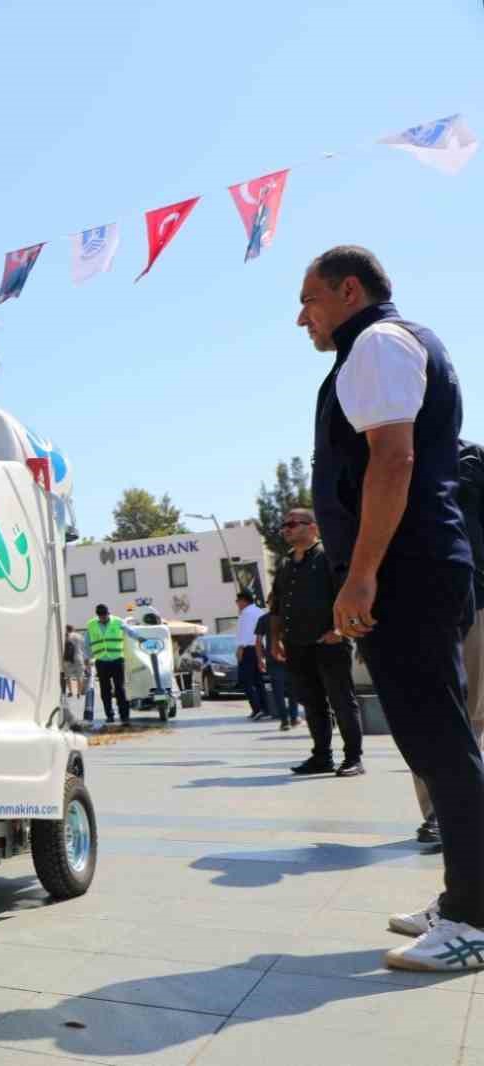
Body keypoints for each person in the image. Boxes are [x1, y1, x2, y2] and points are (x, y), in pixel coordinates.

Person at [297, 245, 484, 971]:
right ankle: (464, 892)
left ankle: (474, 917)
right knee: (433, 744)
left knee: (442, 744)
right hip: (411, 571)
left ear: (350, 290)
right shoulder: (386, 345)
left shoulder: (377, 342)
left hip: (407, 573)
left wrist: (362, 574)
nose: (303, 318)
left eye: (310, 300)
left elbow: (394, 460)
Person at [411, 440, 484, 843]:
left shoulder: (473, 457)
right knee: (426, 715)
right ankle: (439, 812)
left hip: (477, 598)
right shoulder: (383, 451)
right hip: (414, 606)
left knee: (473, 715)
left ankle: (464, 807)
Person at [270, 508, 362, 777]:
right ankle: (322, 757)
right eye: (284, 525)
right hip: (297, 645)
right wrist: (275, 639)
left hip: (329, 643)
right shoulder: (285, 564)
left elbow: (349, 594)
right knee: (312, 704)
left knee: (342, 701)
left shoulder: (329, 557)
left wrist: (340, 631)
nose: (286, 529)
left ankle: (353, 758)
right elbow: (276, 607)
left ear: (313, 527)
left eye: (292, 524)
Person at [256, 607, 299, 730]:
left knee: (278, 692)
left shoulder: (264, 619)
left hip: (273, 659)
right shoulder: (290, 615)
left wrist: (260, 659)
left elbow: (258, 641)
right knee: (293, 689)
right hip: (289, 658)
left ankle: (285, 721)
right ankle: (294, 718)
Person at [87, 604, 128, 724]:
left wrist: (140, 638)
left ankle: (124, 715)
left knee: (120, 689)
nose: (103, 618)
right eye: (101, 616)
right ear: (98, 616)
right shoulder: (91, 625)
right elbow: (86, 642)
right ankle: (109, 715)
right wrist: (88, 657)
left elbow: (129, 631)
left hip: (117, 660)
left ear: (108, 613)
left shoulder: (118, 621)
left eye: (105, 615)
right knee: (105, 690)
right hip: (101, 661)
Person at [232, 590, 270, 721]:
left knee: (246, 681)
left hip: (248, 649)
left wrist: (240, 648)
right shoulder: (259, 611)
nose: (237, 604)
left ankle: (257, 709)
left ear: (243, 601)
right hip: (259, 648)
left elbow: (247, 632)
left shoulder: (246, 613)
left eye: (237, 601)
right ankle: (265, 709)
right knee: (258, 681)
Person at [63, 624, 94, 721]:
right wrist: (87, 660)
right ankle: (79, 693)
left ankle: (70, 692)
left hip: (67, 658)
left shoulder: (66, 636)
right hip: (79, 658)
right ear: (74, 629)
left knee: (67, 676)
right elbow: (85, 648)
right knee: (80, 676)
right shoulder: (79, 636)